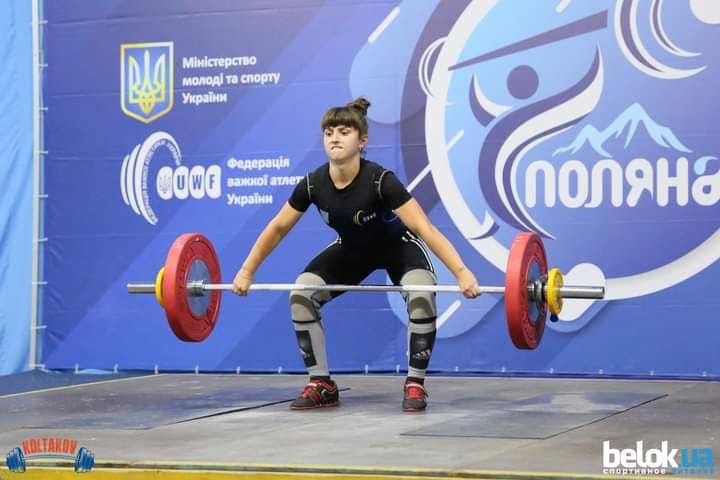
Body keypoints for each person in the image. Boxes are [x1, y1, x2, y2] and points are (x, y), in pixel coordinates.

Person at [232, 97, 481, 412]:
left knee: (421, 294)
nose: (334, 138)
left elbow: (424, 228)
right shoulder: (313, 184)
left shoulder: (381, 181)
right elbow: (278, 227)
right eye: (329, 133)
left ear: (362, 141)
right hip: (353, 250)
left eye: (344, 131)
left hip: (398, 247)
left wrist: (461, 272)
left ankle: (415, 384)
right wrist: (246, 271)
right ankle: (321, 384)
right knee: (302, 294)